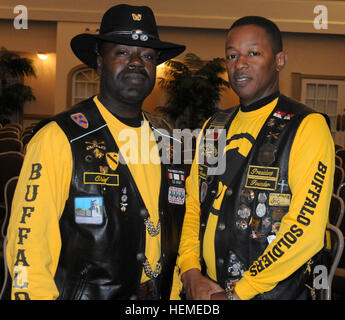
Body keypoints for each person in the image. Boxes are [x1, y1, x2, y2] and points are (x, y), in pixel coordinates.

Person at [6, 4, 186, 300]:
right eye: (123, 53)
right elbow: (27, 248)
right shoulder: (59, 138)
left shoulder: (168, 142)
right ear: (100, 63)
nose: (136, 63)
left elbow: (173, 235)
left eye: (147, 56)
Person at [173, 16, 334, 300]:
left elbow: (305, 228)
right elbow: (194, 207)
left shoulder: (306, 125)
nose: (240, 63)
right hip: (206, 288)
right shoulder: (215, 126)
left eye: (254, 53)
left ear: (280, 60)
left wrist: (238, 293)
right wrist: (190, 271)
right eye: (232, 55)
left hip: (268, 292)